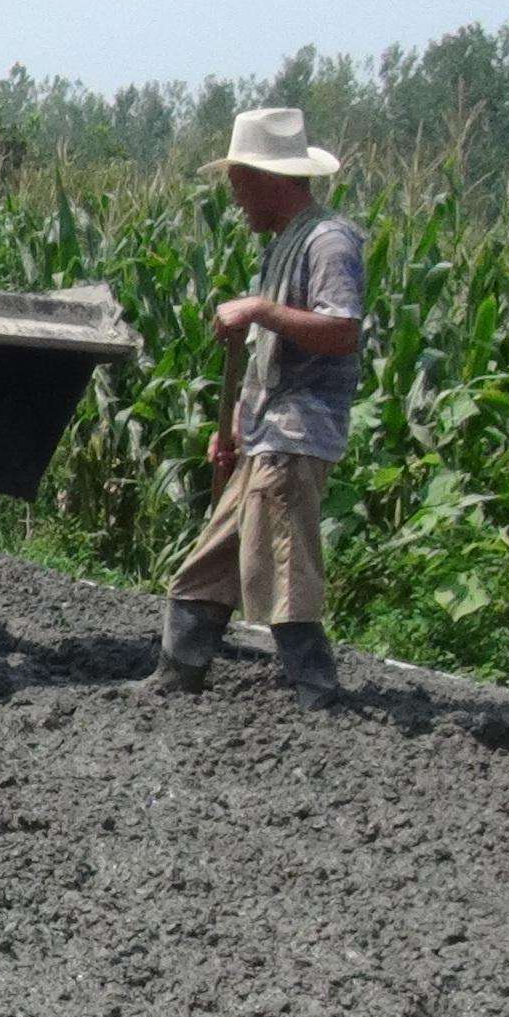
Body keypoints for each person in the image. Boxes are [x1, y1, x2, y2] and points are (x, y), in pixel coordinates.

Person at [132, 108, 366, 710]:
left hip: (296, 433)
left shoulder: (329, 241)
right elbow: (271, 355)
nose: (236, 200)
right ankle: (176, 675)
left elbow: (341, 332)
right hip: (265, 433)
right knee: (207, 567)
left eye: (239, 184)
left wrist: (259, 310)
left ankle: (317, 695)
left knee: (285, 571)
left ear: (272, 179)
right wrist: (235, 423)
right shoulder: (284, 244)